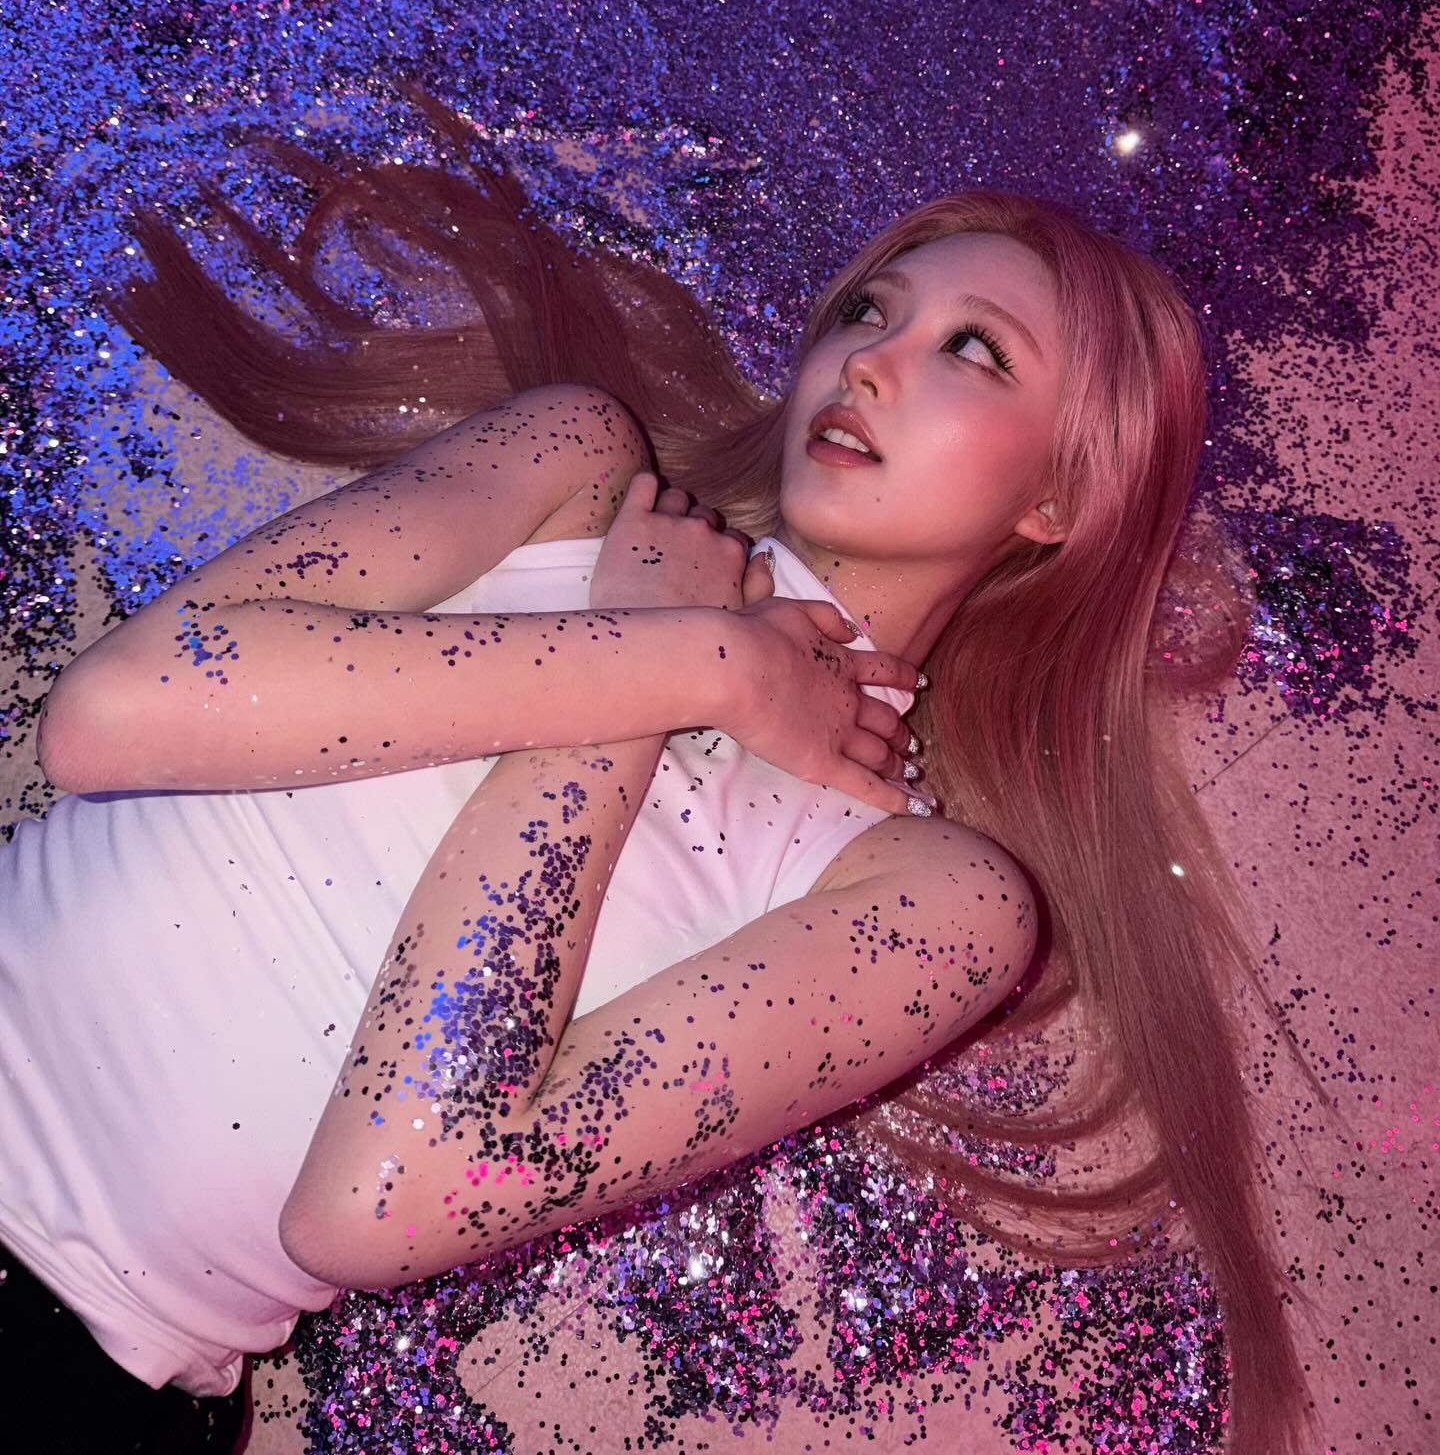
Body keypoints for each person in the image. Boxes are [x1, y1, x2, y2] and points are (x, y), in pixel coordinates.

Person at [0, 86, 1326, 1455]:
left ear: (1061, 496)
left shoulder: (930, 899)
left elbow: (383, 1199)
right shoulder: (573, 464)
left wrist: (659, 667)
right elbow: (109, 714)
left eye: (971, 349)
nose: (868, 362)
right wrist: (702, 655)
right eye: (867, 310)